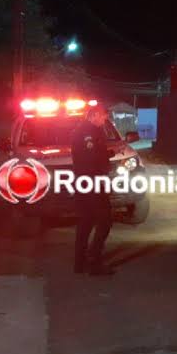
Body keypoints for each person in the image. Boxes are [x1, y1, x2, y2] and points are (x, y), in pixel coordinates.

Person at [71, 105, 115, 275]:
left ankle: (79, 263)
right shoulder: (89, 132)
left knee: (85, 221)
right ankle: (94, 261)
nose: (105, 118)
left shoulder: (81, 130)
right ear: (94, 115)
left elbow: (93, 154)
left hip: (83, 182)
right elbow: (91, 157)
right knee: (105, 220)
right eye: (103, 115)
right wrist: (105, 163)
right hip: (92, 181)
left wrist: (107, 154)